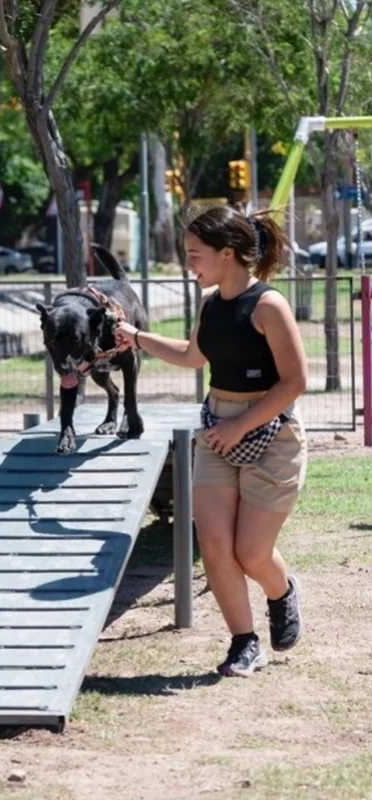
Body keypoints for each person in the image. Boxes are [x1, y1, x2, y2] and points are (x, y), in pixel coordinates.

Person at [115, 204, 308, 678]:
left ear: (227, 254)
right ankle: (245, 643)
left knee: (252, 554)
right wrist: (134, 336)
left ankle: (281, 591)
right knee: (216, 544)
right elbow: (191, 355)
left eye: (194, 254)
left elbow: (294, 382)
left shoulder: (269, 305)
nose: (189, 264)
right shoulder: (211, 305)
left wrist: (239, 426)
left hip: (271, 432)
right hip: (218, 428)